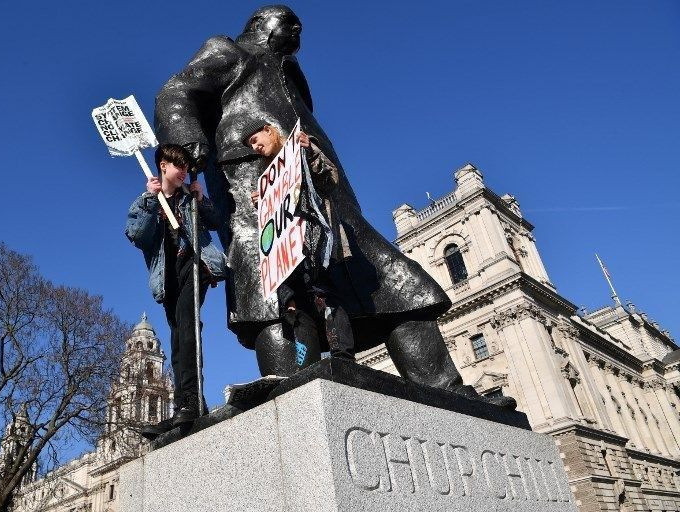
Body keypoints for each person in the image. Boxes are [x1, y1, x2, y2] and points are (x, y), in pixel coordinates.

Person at [154, 6, 515, 408]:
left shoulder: (291, 76)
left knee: (398, 285)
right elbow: (175, 93)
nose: (297, 31)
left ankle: (447, 391)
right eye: (288, 23)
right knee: (275, 301)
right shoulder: (229, 52)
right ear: (261, 25)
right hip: (255, 201)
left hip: (325, 201)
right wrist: (187, 144)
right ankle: (292, 398)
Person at [125, 143, 226, 431]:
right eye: (177, 165)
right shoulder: (147, 201)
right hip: (167, 276)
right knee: (178, 336)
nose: (183, 171)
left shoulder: (189, 198)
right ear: (163, 167)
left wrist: (201, 199)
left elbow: (216, 221)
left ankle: (191, 401)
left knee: (188, 324)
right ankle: (186, 403)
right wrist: (150, 199)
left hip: (193, 265)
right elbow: (138, 235)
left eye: (186, 166)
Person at [244, 123, 355, 363]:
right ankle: (307, 365)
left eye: (255, 139)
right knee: (295, 307)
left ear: (269, 130)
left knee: (326, 295)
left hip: (314, 237)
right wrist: (261, 204)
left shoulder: (302, 146)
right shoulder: (266, 176)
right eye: (251, 145)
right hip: (287, 254)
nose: (255, 147)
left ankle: (342, 357)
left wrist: (311, 151)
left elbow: (330, 180)